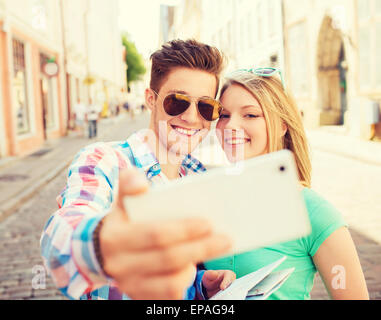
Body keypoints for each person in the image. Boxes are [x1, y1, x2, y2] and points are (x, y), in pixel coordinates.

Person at [40, 39, 235, 300]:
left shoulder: (199, 177)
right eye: (177, 102)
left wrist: (199, 284)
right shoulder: (106, 161)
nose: (191, 117)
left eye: (205, 106)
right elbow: (63, 237)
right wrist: (105, 246)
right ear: (151, 100)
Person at [203, 68, 369, 300]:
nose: (230, 126)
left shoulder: (316, 213)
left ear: (282, 125)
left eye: (250, 115)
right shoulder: (205, 200)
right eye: (224, 115)